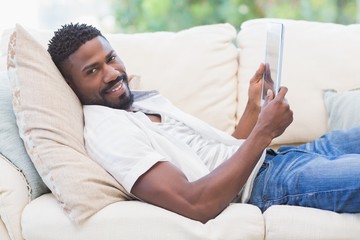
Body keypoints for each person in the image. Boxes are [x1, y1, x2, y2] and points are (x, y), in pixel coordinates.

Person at [48, 23, 360, 223]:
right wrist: (264, 132)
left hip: (280, 158)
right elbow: (195, 202)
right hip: (269, 183)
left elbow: (218, 155)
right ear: (71, 84)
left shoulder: (139, 102)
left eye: (111, 58)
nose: (112, 73)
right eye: (92, 71)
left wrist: (254, 110)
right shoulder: (108, 132)